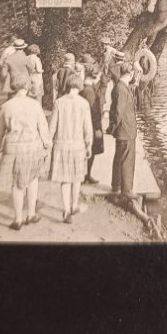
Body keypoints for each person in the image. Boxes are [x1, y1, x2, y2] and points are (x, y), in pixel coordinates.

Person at [0, 75, 52, 231]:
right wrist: (47, 143)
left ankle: (18, 219)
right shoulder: (35, 105)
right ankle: (31, 214)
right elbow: (43, 126)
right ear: (27, 87)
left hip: (13, 148)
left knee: (17, 183)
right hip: (32, 147)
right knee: (32, 179)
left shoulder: (7, 106)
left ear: (14, 87)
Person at [48, 70, 93, 223]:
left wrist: (48, 145)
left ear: (67, 85)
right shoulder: (84, 104)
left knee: (65, 179)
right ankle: (74, 205)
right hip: (78, 146)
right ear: (79, 86)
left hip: (61, 145)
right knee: (77, 178)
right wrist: (89, 145)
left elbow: (52, 127)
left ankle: (66, 210)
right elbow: (88, 128)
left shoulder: (59, 102)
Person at [109, 61, 138, 206]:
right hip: (126, 131)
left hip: (124, 130)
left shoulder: (121, 87)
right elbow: (118, 112)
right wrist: (112, 128)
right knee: (127, 159)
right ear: (130, 74)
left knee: (119, 157)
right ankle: (126, 190)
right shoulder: (121, 89)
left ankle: (116, 186)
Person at [79, 65, 105, 184]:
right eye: (98, 76)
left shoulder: (84, 89)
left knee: (88, 150)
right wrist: (97, 128)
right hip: (91, 126)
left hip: (85, 125)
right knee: (91, 150)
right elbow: (92, 111)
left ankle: (86, 175)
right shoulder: (89, 92)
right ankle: (86, 175)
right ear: (93, 76)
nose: (99, 79)